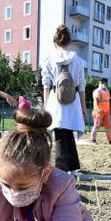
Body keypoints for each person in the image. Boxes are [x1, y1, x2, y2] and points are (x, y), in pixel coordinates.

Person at [41, 25, 87, 176]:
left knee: (59, 134)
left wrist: (46, 106)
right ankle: (73, 167)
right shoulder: (78, 61)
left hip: (55, 101)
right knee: (68, 133)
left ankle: (61, 169)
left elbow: (46, 85)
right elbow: (81, 86)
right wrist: (83, 107)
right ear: (70, 42)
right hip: (73, 101)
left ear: (55, 43)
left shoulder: (48, 60)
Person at [90, 78, 111, 145]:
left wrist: (110, 110)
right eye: (101, 82)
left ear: (105, 83)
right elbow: (95, 101)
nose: (101, 84)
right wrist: (97, 109)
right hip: (99, 111)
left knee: (108, 126)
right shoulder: (97, 91)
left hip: (106, 111)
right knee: (97, 125)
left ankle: (110, 140)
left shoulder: (107, 91)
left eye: (103, 82)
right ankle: (93, 139)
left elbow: (108, 101)